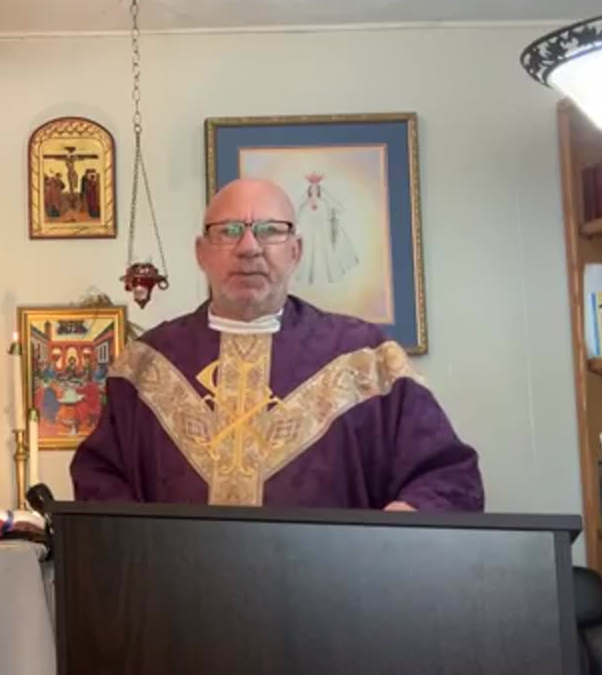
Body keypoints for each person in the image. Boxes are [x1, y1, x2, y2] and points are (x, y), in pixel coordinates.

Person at [70, 178, 483, 511]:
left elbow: (449, 476)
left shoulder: (367, 360)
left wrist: (406, 518)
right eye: (228, 231)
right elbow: (98, 480)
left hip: (334, 600)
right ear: (201, 253)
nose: (249, 248)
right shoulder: (148, 364)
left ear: (296, 250)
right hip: (179, 600)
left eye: (270, 231)